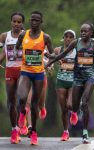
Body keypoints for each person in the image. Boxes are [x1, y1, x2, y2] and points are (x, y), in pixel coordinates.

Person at [15, 11, 53, 145]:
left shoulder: (45, 37)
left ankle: (34, 133)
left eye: (37, 20)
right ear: (29, 21)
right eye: (32, 20)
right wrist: (17, 53)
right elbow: (16, 47)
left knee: (35, 105)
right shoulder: (23, 34)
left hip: (38, 73)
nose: (34, 22)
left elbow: (51, 53)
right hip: (25, 71)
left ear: (41, 22)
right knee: (22, 98)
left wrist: (50, 60)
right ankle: (22, 114)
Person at [0, 12, 25, 144]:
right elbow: (3, 52)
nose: (16, 24)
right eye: (14, 21)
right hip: (10, 71)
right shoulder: (5, 36)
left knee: (21, 99)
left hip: (23, 71)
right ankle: (14, 130)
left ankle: (22, 117)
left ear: (22, 23)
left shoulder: (27, 36)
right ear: (11, 22)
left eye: (19, 22)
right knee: (11, 101)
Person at [54, 29, 77, 141]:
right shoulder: (59, 50)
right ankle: (65, 131)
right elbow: (51, 58)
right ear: (63, 38)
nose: (68, 39)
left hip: (73, 80)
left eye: (71, 37)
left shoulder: (78, 50)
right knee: (63, 109)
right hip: (61, 80)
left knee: (69, 104)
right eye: (66, 36)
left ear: (74, 39)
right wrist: (50, 65)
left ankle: (74, 111)